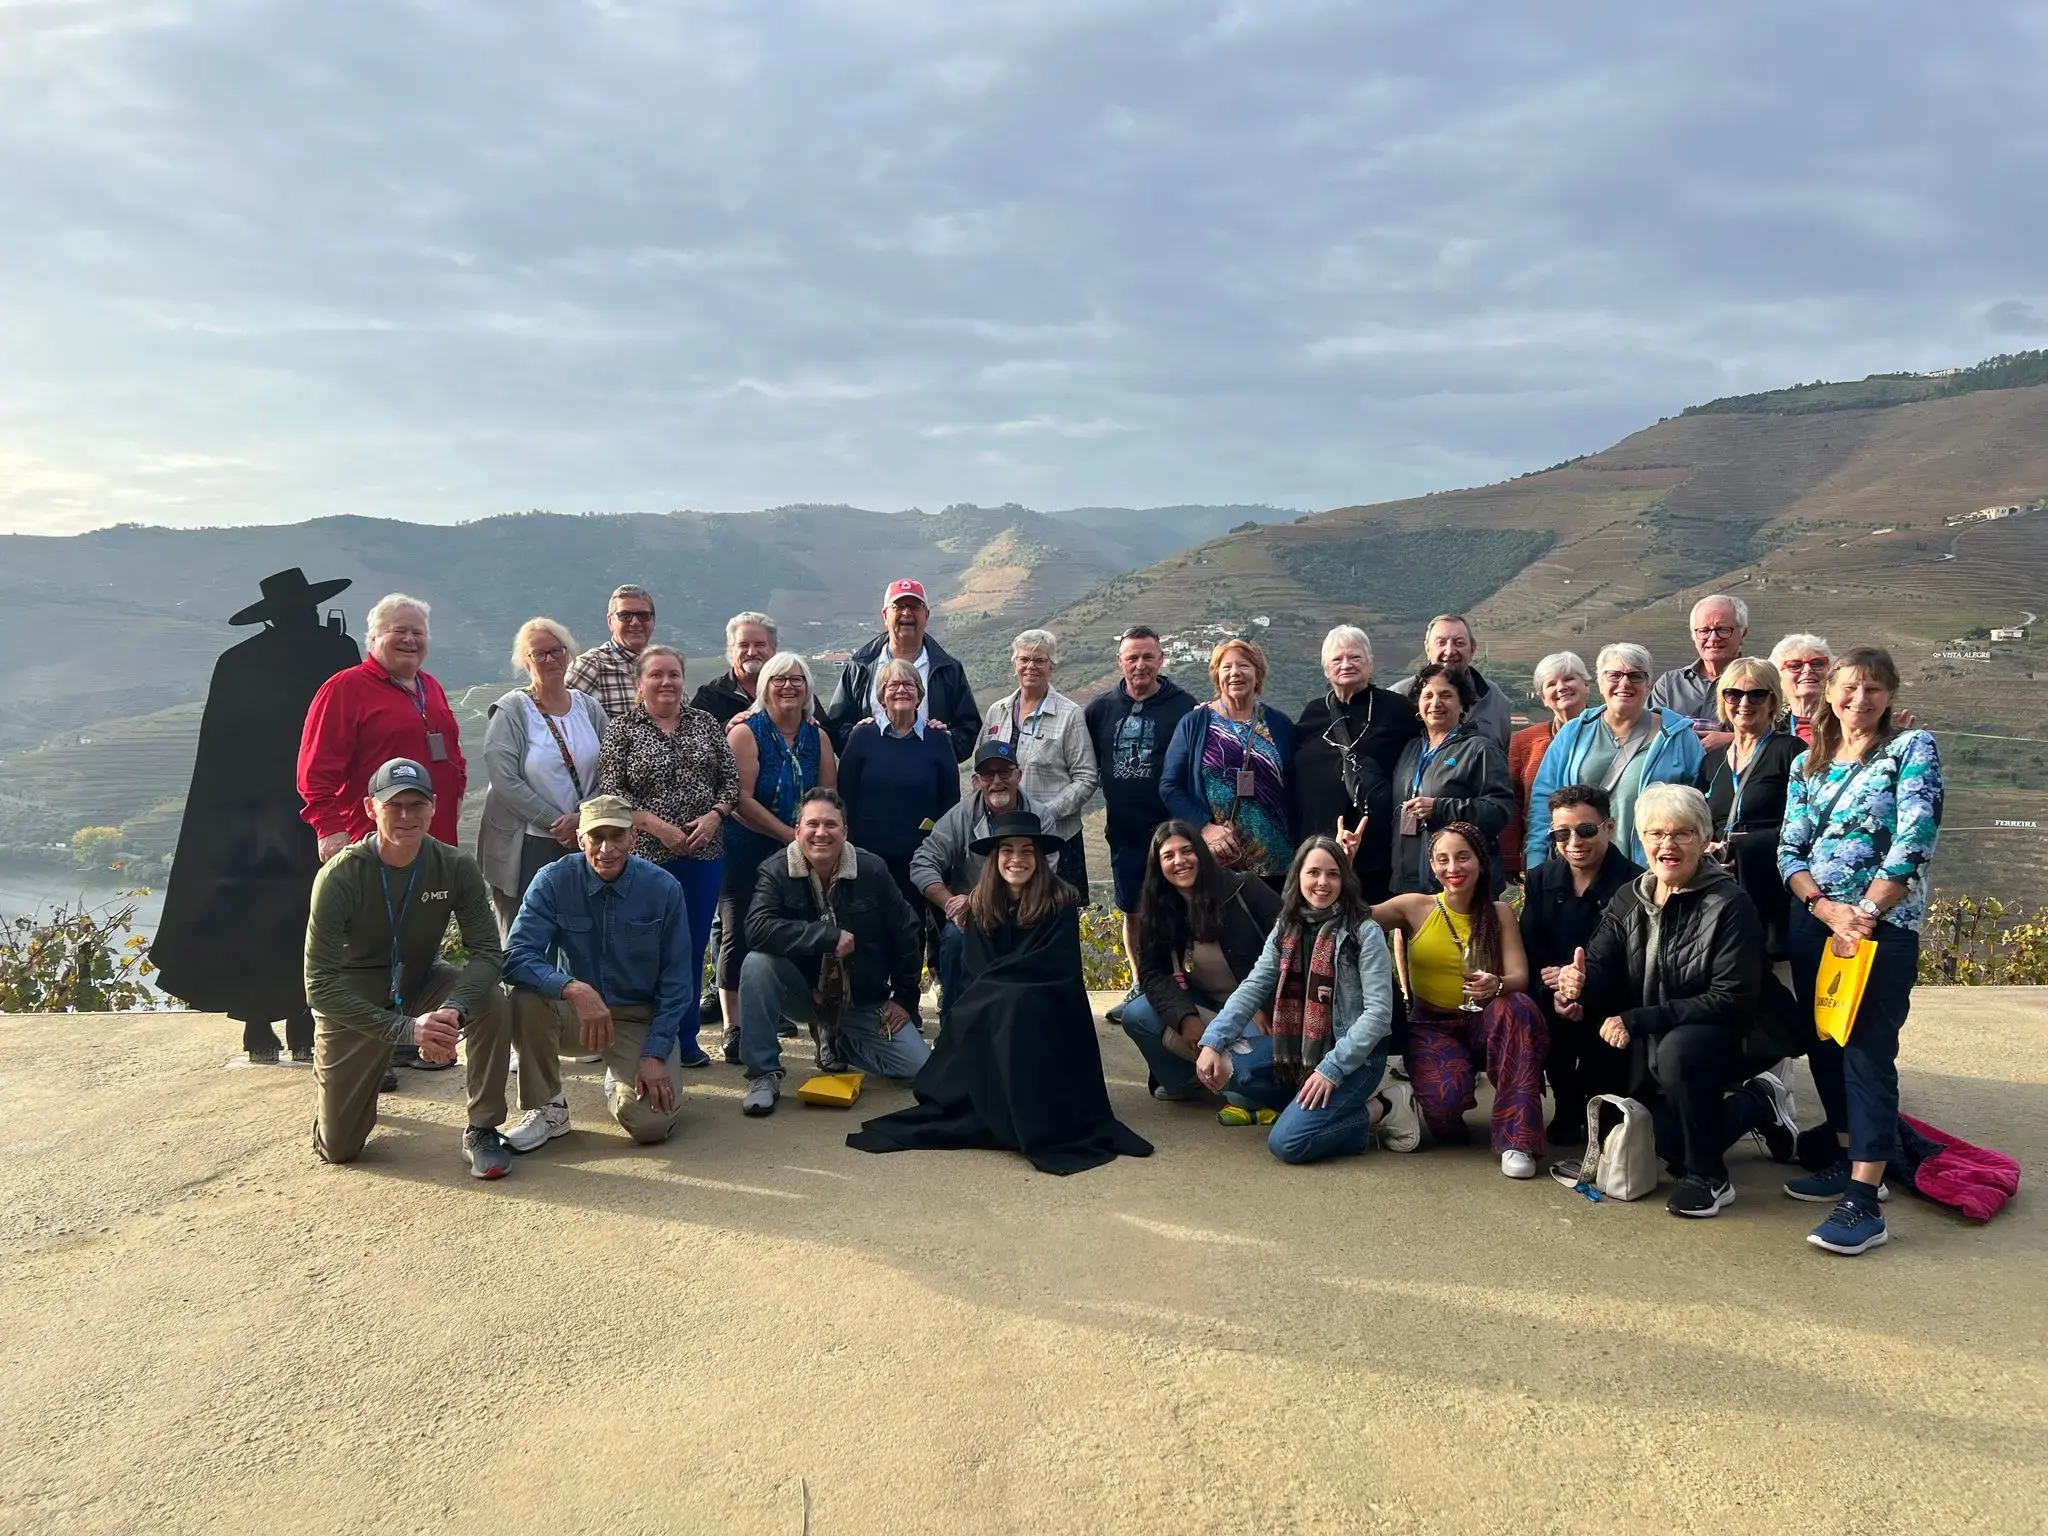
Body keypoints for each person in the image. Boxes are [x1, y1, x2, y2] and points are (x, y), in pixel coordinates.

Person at [848, 811, 1154, 1175]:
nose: (1017, 859)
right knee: (981, 1008)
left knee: (1014, 1005)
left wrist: (1007, 990)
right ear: (995, 859)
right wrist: (1001, 990)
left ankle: (1032, 1112)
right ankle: (994, 1102)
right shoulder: (982, 907)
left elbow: (1054, 970)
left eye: (1027, 851)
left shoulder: (1059, 903)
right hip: (996, 1000)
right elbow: (979, 970)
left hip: (1051, 1008)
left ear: (1039, 859)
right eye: (1007, 850)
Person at [1551, 784, 1799, 1218]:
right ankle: (1758, 1103)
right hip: (1652, 1040)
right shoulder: (1630, 898)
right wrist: (1578, 988)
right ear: (1640, 839)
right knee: (1665, 1146)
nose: (1667, 845)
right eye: (1655, 834)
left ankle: (1709, 1177)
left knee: (1679, 1052)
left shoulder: (1729, 904)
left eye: (1683, 834)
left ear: (1705, 840)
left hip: (1731, 1034)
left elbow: (1731, 999)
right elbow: (1602, 971)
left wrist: (1639, 1019)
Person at [152, 567, 359, 1064]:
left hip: (249, 816)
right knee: (319, 910)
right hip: (320, 809)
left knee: (256, 910)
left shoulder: (236, 661)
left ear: (269, 617)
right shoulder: (338, 651)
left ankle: (258, 1023)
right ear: (310, 607)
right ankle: (306, 1021)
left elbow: (216, 754)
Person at [1778, 647, 1944, 1256]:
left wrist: (1867, 912)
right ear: (1829, 693)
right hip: (1818, 923)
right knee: (1825, 1039)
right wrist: (1825, 909)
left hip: (1881, 928)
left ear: (1890, 695)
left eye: (1873, 689)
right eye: (1848, 687)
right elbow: (1789, 852)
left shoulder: (1910, 748)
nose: (1858, 699)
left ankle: (1865, 1201)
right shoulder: (1807, 764)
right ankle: (1847, 1158)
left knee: (1867, 1050)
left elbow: (1914, 836)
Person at [303, 758, 521, 1179]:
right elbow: (319, 986)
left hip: (420, 981)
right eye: (394, 805)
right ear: (371, 808)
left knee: (490, 1000)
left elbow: (488, 955)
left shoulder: (453, 866)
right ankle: (340, 1080)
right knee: (341, 1149)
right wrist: (409, 1031)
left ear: (434, 807)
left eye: (416, 805)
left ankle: (483, 1128)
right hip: (355, 1001)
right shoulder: (340, 876)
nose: (406, 816)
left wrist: (451, 1011)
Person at [1193, 838, 1417, 1163]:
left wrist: (1332, 1069)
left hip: (1354, 1059)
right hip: (1301, 1049)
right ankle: (1305, 1108)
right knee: (1229, 1065)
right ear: (1298, 877)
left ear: (1344, 880)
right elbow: (1254, 986)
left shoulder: (1363, 932)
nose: (1322, 883)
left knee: (1288, 1144)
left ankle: (1384, 1107)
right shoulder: (1287, 926)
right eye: (1313, 872)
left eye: (1332, 874)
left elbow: (1379, 1015)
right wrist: (1213, 1041)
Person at [500, 795, 696, 1149]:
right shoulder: (552, 881)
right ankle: (547, 1108)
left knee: (651, 1126)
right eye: (596, 837)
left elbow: (678, 980)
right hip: (577, 1014)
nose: (606, 848)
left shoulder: (664, 888)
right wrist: (573, 988)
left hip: (637, 1019)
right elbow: (515, 956)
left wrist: (653, 1054)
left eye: (616, 836)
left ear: (633, 838)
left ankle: (619, 1080)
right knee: (523, 997)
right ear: (580, 839)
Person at [735, 788, 931, 1117]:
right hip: (803, 994)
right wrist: (825, 936)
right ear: (797, 832)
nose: (821, 833)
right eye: (812, 824)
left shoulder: (872, 869)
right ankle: (763, 1074)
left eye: (831, 824)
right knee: (757, 964)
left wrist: (905, 997)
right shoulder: (776, 870)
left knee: (918, 1066)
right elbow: (756, 928)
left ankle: (837, 1040)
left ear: (845, 831)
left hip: (861, 997)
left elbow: (906, 929)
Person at [1369, 822, 1548, 1177]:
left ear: (1481, 861)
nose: (1453, 868)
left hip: (1486, 1021)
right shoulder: (1414, 906)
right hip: (1432, 1025)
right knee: (1444, 1103)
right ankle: (1437, 1113)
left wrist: (1497, 984)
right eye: (1443, 859)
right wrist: (1345, 859)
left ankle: (1518, 1139)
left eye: (1463, 857)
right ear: (1432, 866)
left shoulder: (1500, 913)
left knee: (1519, 1007)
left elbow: (1519, 978)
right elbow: (1353, 917)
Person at [594, 644, 740, 1069]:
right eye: (655, 674)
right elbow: (612, 791)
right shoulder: (622, 729)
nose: (666, 682)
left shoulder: (705, 724)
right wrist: (656, 826)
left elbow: (729, 784)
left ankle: (686, 1038)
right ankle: (644, 1039)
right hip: (645, 859)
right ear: (639, 684)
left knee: (691, 947)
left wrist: (714, 817)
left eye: (673, 674)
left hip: (703, 855)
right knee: (647, 949)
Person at [717, 651, 838, 1059]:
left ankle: (815, 1021)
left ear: (808, 688)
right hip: (748, 847)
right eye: (778, 679)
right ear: (765, 685)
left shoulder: (816, 736)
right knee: (740, 933)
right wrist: (789, 834)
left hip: (805, 852)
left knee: (803, 930)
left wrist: (811, 838)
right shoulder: (746, 733)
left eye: (797, 679)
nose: (788, 686)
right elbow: (738, 798)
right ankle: (735, 1026)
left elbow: (827, 795)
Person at [1121, 819, 1284, 1103]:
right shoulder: (1159, 910)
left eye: (1187, 851)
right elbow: (1153, 974)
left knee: (1246, 1098)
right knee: (1137, 1014)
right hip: (1204, 1005)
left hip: (1251, 1009)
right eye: (1168, 856)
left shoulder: (1244, 888)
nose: (1179, 861)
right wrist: (1185, 1018)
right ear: (1158, 866)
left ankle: (1230, 1081)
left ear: (1201, 853)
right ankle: (1184, 1081)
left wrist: (1262, 1002)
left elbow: (1289, 944)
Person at [299, 593, 467, 859]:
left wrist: (456, 797)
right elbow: (315, 772)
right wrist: (329, 830)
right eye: (398, 631)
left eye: (418, 632)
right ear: (374, 638)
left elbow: (453, 752)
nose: (409, 639)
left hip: (438, 843)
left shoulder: (431, 686)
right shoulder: (344, 688)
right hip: (373, 843)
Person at [1518, 786, 1642, 1144]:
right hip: (1555, 995)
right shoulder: (1541, 879)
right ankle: (1567, 1103)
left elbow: (1634, 959)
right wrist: (1556, 991)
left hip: (1611, 997)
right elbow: (1533, 949)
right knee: (1539, 1012)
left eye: (1585, 830)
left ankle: (1602, 1103)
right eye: (1561, 833)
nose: (1573, 841)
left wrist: (1581, 989)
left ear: (1609, 826)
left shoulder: (1635, 883)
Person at [478, 618, 609, 935]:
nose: (550, 659)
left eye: (556, 651)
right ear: (525, 661)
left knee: (580, 935)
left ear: (569, 653)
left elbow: (610, 769)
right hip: (527, 845)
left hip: (584, 839)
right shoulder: (512, 711)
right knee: (526, 936)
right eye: (539, 654)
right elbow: (505, 780)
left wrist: (581, 816)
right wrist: (556, 820)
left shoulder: (589, 708)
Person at [1524, 643, 1704, 871]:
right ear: (1599, 682)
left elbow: (1699, 807)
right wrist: (1536, 867)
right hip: (1577, 872)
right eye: (1614, 675)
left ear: (1649, 684)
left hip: (1649, 872)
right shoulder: (1573, 733)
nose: (1624, 683)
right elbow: (1543, 805)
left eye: (1635, 676)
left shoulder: (1679, 737)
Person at [1083, 625, 1199, 976]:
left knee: (1178, 910)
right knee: (1133, 913)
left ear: (1161, 659)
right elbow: (1085, 763)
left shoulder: (1185, 707)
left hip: (1172, 834)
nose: (1140, 664)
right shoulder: (1099, 709)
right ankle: (1139, 982)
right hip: (1123, 833)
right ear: (1120, 661)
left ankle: (1180, 980)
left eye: (1148, 657)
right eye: (1132, 657)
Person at [909, 738, 1043, 1032]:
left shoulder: (1041, 816)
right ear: (976, 780)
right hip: (970, 919)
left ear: (1018, 775)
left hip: (1026, 912)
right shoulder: (959, 816)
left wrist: (978, 898)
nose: (997, 781)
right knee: (956, 941)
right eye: (988, 774)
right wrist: (949, 903)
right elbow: (922, 862)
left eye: (1005, 772)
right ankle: (953, 1031)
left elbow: (1045, 879)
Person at [1289, 625, 1421, 904]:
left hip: (1376, 848)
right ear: (1326, 669)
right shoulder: (1313, 712)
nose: (1346, 664)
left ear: (1370, 664)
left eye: (1355, 657)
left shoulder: (1397, 709)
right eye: (1337, 659)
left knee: (1373, 926)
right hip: (1319, 848)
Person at [1160, 638, 1297, 882]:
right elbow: (1169, 786)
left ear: (1258, 673)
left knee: (1276, 920)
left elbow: (1296, 786)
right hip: (1216, 859)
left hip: (1278, 861)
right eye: (1227, 667)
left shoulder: (1280, 724)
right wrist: (1204, 827)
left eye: (1244, 665)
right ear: (1217, 675)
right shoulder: (1195, 723)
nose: (1235, 673)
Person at [1694, 656, 1801, 962]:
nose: (1744, 702)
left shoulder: (1790, 752)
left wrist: (1741, 846)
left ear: (1772, 701)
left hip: (1772, 893)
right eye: (1734, 694)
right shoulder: (1713, 760)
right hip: (1720, 894)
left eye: (1757, 694)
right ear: (1722, 700)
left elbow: (1803, 825)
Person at [977, 629, 1099, 891]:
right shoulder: (996, 712)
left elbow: (1087, 778)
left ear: (1051, 667)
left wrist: (1045, 814)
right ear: (1014, 665)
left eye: (1040, 660)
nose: (1031, 666)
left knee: (1056, 917)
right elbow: (980, 769)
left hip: (1056, 838)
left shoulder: (1069, 715)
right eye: (1024, 659)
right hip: (1004, 839)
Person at [836, 658, 960, 913]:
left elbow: (950, 801)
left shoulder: (938, 739)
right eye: (893, 685)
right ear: (882, 695)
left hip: (921, 858)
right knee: (869, 927)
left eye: (909, 684)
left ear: (919, 695)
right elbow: (845, 794)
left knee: (913, 929)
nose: (901, 690)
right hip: (867, 857)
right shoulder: (862, 736)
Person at [1381, 663, 1513, 895]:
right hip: (1409, 887)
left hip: (1460, 888)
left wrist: (1441, 808)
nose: (1435, 703)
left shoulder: (1479, 750)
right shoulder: (1410, 750)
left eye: (1446, 695)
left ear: (1462, 705)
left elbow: (1499, 810)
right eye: (1428, 696)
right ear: (1418, 705)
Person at [825, 577, 983, 763]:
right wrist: (857, 741)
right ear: (885, 615)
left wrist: (944, 743)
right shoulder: (860, 666)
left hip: (927, 780)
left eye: (914, 606)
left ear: (926, 615)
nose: (906, 613)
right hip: (870, 780)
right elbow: (835, 726)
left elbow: (968, 727)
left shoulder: (948, 669)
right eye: (898, 607)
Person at [1504, 652, 1591, 883]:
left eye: (1569, 679)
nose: (1561, 687)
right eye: (1551, 684)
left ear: (1587, 685)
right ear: (1543, 697)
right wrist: (1513, 859)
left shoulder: (1609, 735)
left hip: (1596, 848)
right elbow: (1513, 799)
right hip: (1544, 854)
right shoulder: (1524, 741)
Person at [1389, 613, 1512, 751]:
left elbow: (1503, 755)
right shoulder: (1396, 697)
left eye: (1459, 643)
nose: (1449, 651)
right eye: (1441, 643)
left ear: (1472, 649)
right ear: (1427, 649)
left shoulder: (1495, 700)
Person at [1650, 594, 1748, 749]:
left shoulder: (1760, 681)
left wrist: (1734, 739)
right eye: (1704, 630)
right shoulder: (1670, 684)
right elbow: (1648, 735)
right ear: (1693, 636)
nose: (1713, 638)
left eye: (1722, 629)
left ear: (1743, 633)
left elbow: (1779, 736)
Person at [566, 583, 658, 720]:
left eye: (643, 615)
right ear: (610, 621)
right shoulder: (590, 666)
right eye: (625, 616)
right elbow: (561, 721)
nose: (635, 622)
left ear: (653, 621)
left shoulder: (665, 666)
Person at [690, 611, 782, 726]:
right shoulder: (710, 696)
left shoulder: (793, 691)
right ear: (731, 651)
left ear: (773, 649)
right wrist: (726, 728)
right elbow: (693, 739)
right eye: (743, 645)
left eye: (759, 644)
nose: (751, 652)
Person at [1769, 633, 1833, 744]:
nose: (1808, 670)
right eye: (1794, 665)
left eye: (1817, 663)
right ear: (1778, 678)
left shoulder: (1844, 721)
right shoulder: (1769, 728)